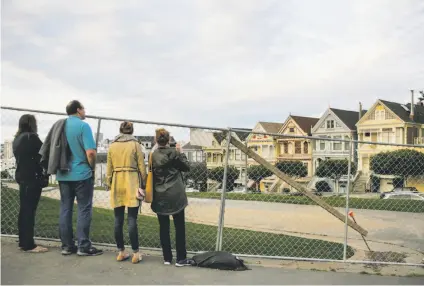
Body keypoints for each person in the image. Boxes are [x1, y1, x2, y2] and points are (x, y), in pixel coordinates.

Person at [55, 100, 102, 256]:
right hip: (81, 173)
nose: (85, 111)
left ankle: (67, 246)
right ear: (78, 110)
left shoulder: (60, 126)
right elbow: (91, 153)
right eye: (83, 108)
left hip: (63, 173)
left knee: (65, 209)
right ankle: (83, 246)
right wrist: (92, 167)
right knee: (84, 208)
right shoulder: (83, 126)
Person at [106, 122, 147, 264]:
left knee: (118, 219)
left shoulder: (112, 145)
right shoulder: (135, 145)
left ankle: (121, 251)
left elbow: (109, 167)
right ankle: (136, 253)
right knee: (132, 219)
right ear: (132, 131)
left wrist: (108, 182)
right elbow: (142, 166)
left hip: (117, 181)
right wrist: (144, 182)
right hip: (132, 181)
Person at [151, 128, 191, 267]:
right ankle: (181, 258)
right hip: (176, 194)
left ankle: (167, 257)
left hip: (160, 194)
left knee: (164, 227)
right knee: (179, 227)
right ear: (169, 140)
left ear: (156, 140)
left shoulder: (153, 155)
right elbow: (186, 167)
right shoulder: (175, 154)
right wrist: (181, 153)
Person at [13, 114, 48, 253]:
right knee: (29, 211)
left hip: (22, 177)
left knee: (24, 210)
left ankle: (24, 241)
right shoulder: (31, 138)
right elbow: (43, 154)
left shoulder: (18, 139)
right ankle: (28, 244)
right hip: (32, 178)